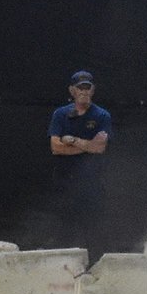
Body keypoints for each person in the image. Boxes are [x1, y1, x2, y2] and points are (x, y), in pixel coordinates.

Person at [47, 69, 112, 251]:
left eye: (87, 88)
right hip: (65, 180)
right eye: (80, 88)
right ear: (72, 90)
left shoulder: (102, 116)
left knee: (92, 226)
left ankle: (94, 262)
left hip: (91, 181)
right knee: (63, 226)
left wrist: (73, 140)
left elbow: (100, 147)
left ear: (93, 90)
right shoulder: (60, 114)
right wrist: (87, 145)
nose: (84, 91)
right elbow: (56, 147)